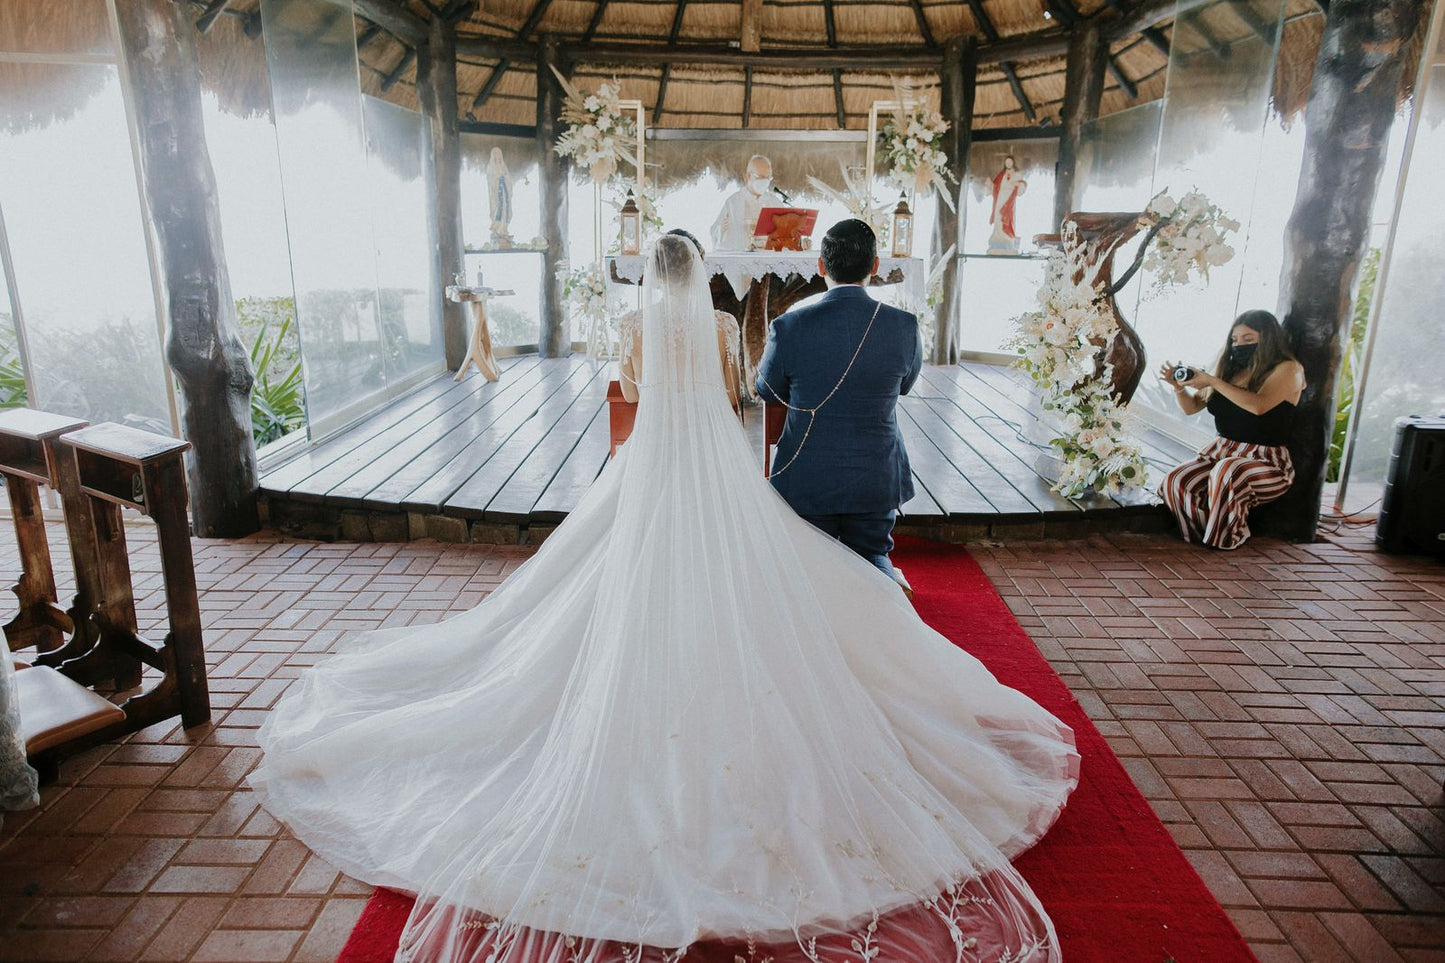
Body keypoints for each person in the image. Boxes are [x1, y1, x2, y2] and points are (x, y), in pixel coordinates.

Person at [249, 235, 1077, 963]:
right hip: (713, 471)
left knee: (602, 582)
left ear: (651, 275)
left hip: (648, 470)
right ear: (701, 276)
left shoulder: (633, 327)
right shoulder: (719, 326)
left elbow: (633, 389)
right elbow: (737, 394)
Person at [755, 219, 922, 598]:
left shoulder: (789, 326)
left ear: (820, 266)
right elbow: (905, 385)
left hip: (805, 479)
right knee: (872, 553)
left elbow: (766, 390)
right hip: (876, 480)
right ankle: (882, 585)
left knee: (807, 560)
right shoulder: (904, 326)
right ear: (875, 266)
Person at [1158, 309, 1305, 550]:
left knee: (1228, 471)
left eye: (1248, 338)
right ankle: (1202, 535)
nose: (1239, 345)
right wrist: (1179, 387)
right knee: (1176, 481)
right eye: (1234, 340)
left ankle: (1225, 538)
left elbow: (1259, 406)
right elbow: (1191, 408)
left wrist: (1213, 381)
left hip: (1266, 462)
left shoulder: (1289, 369)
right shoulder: (1229, 368)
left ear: (1268, 338)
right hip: (1222, 453)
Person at [619, 229, 741, 409]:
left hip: (657, 424)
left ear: (656, 272)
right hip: (707, 424)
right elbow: (733, 396)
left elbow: (630, 396)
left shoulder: (630, 325)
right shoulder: (725, 324)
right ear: (697, 269)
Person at [711, 154, 783, 251]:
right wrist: (721, 230)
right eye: (761, 177)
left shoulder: (774, 202)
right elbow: (715, 233)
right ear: (749, 176)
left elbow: (785, 235)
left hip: (768, 257)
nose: (765, 182)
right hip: (740, 257)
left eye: (768, 178)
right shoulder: (733, 202)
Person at [987, 155, 1027, 254]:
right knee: (998, 218)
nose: (1008, 164)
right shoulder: (1002, 175)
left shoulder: (1016, 174)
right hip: (1000, 198)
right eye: (1007, 162)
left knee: (1008, 218)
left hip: (1009, 200)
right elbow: (995, 187)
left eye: (1010, 162)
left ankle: (1008, 239)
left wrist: (1018, 185)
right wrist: (990, 184)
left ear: (1013, 163)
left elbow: (1022, 186)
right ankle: (998, 239)